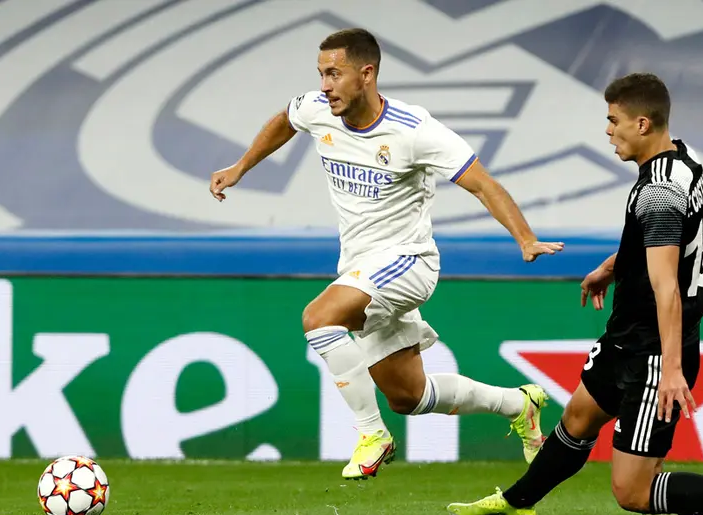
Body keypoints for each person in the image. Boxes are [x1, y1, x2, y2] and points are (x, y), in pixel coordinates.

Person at [446, 73, 703, 515]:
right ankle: (516, 501)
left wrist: (670, 369)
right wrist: (611, 267)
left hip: (654, 349)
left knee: (633, 491)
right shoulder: (682, 162)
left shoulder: (660, 192)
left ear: (643, 124)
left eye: (614, 121)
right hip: (629, 335)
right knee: (578, 417)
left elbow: (666, 284)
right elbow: (653, 242)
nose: (608, 131)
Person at [209, 28, 562, 480]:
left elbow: (482, 183)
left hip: (409, 261)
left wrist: (524, 237)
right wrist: (241, 166)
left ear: (367, 73)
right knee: (408, 396)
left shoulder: (414, 131)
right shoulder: (318, 109)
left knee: (319, 318)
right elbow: (285, 119)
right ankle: (518, 403)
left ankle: (371, 434)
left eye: (334, 73)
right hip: (360, 267)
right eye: (320, 74)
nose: (325, 85)